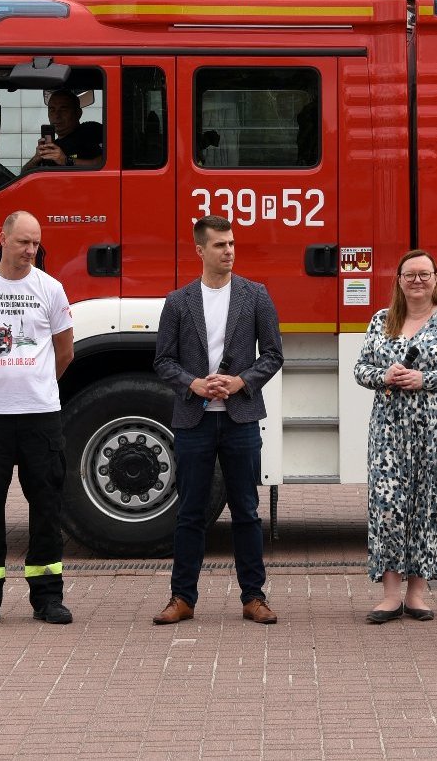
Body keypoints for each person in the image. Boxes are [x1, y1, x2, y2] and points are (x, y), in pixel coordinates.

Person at [151, 215, 285, 625]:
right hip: (193, 421)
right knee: (190, 510)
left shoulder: (255, 295)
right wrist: (193, 384)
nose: (228, 251)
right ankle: (182, 598)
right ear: (200, 250)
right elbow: (162, 361)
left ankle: (253, 597)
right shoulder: (178, 301)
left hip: (241, 418)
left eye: (231, 244)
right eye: (219, 245)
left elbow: (274, 355)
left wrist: (241, 380)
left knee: (246, 509)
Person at [0, 211, 76, 626]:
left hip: (41, 416)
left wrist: (35, 383)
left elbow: (64, 352)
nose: (30, 251)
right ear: (2, 238)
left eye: (35, 244)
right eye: (23, 242)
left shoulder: (51, 289)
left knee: (46, 508)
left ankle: (47, 598)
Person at [353, 249, 437, 623]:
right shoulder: (382, 320)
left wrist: (427, 379)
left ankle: (418, 593)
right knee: (387, 505)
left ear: (436, 278)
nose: (418, 281)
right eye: (410, 274)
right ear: (399, 281)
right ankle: (390, 595)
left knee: (431, 506)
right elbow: (361, 368)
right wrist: (384, 376)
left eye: (425, 274)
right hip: (390, 429)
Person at [23, 90, 103, 171]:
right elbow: (23, 174)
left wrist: (66, 161)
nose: (57, 116)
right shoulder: (52, 147)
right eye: (52, 110)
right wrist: (36, 158)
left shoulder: (91, 131)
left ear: (78, 113)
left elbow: (108, 162)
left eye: (63, 109)